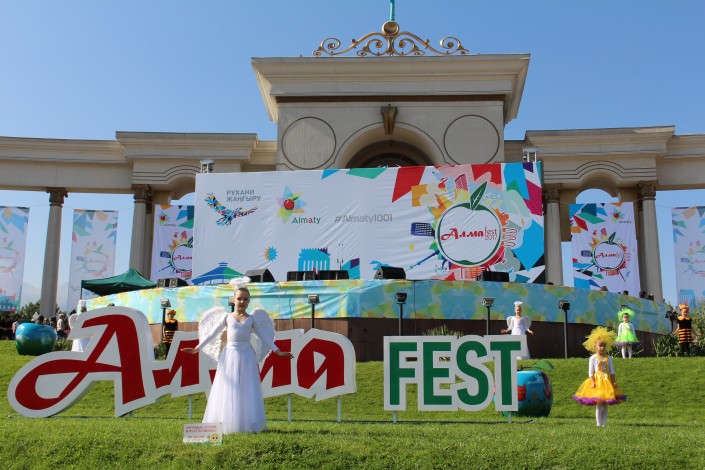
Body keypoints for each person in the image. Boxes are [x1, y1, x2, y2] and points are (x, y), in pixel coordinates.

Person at [182, 284, 293, 434]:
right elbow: (212, 334)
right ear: (233, 300)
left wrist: (278, 351)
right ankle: (226, 423)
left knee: (246, 387)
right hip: (230, 355)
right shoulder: (227, 317)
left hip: (246, 356)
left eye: (245, 299)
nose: (242, 301)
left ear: (249, 301)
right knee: (228, 387)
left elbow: (265, 337)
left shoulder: (251, 319)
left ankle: (244, 424)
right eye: (239, 298)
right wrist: (197, 348)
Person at [572, 326, 626, 426]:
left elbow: (612, 371)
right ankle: (598, 424)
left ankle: (603, 423)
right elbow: (591, 372)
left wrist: (613, 381)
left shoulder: (608, 358)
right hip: (598, 383)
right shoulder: (593, 358)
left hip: (607, 382)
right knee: (599, 404)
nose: (602, 348)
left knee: (605, 404)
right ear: (595, 346)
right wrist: (593, 382)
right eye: (600, 346)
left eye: (604, 346)